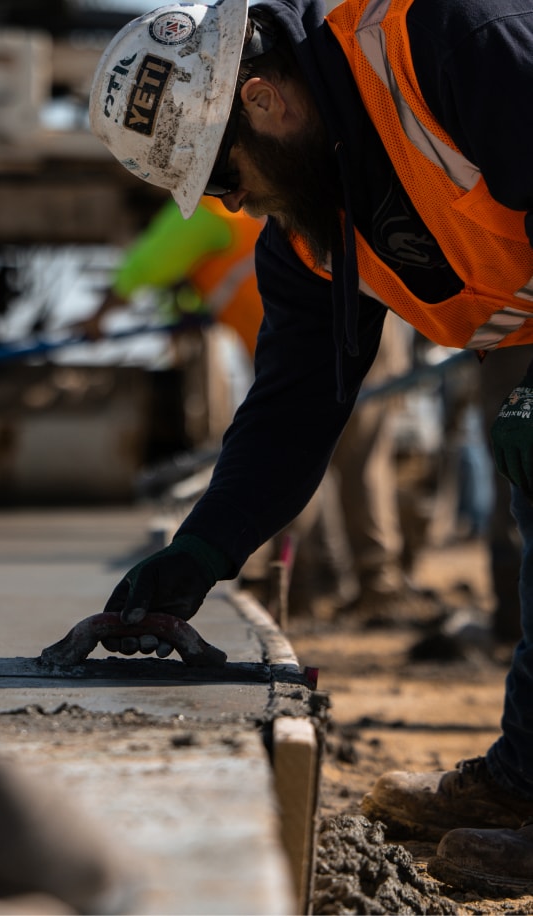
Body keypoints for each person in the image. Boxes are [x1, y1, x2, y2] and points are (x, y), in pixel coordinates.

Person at [87, 0, 533, 895]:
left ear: (262, 100)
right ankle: (526, 781)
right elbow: (294, 405)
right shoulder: (313, 232)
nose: (231, 204)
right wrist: (203, 550)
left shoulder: (457, 43)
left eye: (223, 180)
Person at [77, 195, 265, 360]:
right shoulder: (225, 210)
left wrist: (97, 318)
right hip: (280, 337)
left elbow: (142, 269)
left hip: (283, 336)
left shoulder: (201, 209)